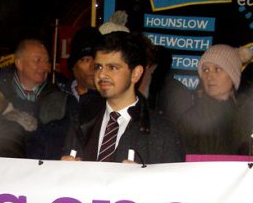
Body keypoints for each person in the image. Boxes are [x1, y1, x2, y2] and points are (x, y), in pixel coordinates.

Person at [62, 31, 184, 164]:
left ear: (135, 73)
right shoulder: (81, 120)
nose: (101, 75)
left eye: (112, 68)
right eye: (98, 67)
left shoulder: (163, 131)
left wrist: (142, 180)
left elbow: (173, 183)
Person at [176, 44, 253, 155]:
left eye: (217, 69)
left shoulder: (249, 116)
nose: (209, 76)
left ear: (233, 75)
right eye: (205, 70)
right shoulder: (189, 120)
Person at [56, 26, 104, 126]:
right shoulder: (57, 101)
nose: (92, 66)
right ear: (73, 66)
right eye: (85, 60)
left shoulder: (113, 101)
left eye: (96, 59)